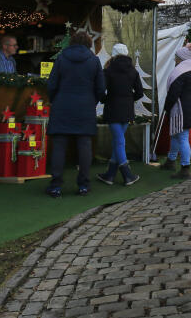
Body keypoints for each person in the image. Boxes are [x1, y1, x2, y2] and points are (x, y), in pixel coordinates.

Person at [45, 30, 105, 198]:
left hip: (62, 105)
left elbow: (51, 85)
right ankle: (83, 185)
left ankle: (56, 186)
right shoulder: (94, 61)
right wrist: (91, 101)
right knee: (84, 146)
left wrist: (54, 99)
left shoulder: (61, 58)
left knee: (59, 146)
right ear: (89, 43)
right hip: (85, 107)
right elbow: (101, 88)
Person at [96, 43, 144, 186]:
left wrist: (105, 100)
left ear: (113, 54)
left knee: (118, 141)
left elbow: (101, 91)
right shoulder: (133, 71)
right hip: (127, 110)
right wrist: (129, 100)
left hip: (113, 109)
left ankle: (126, 174)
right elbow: (140, 93)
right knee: (119, 141)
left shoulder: (108, 70)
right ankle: (110, 175)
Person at [161, 46, 191, 180]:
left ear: (181, 58)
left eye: (176, 57)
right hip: (190, 108)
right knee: (176, 135)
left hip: (182, 110)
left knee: (182, 137)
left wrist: (167, 108)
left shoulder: (180, 72)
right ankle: (171, 160)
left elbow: (173, 93)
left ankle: (185, 168)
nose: (175, 60)